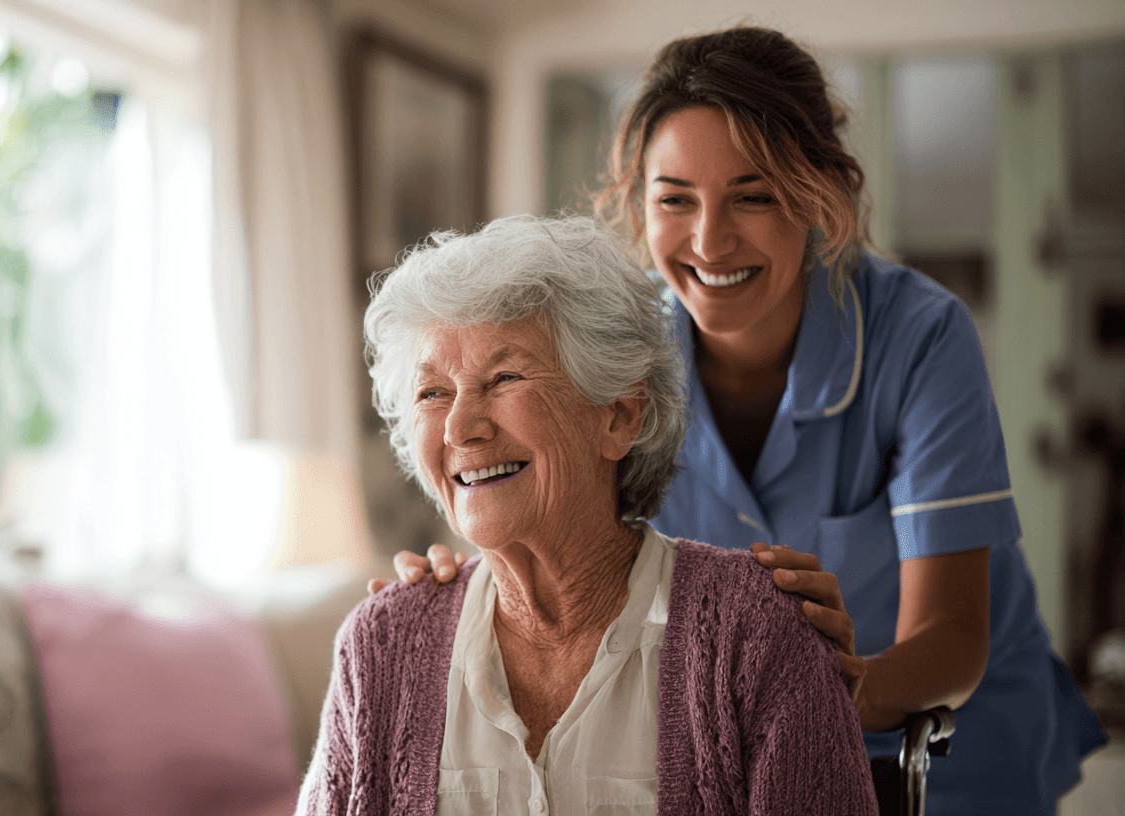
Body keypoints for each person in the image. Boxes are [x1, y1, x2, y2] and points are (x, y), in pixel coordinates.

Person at [380, 26, 1106, 814]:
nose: (709, 239)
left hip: (952, 742)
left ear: (818, 192)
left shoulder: (920, 336)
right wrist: (467, 589)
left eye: (754, 195)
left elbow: (955, 636)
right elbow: (558, 530)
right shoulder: (623, 362)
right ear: (639, 204)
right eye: (674, 200)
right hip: (753, 746)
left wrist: (817, 696)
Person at [300, 214, 877, 816]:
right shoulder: (382, 646)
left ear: (621, 416)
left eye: (504, 378)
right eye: (432, 393)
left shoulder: (759, 636)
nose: (460, 428)